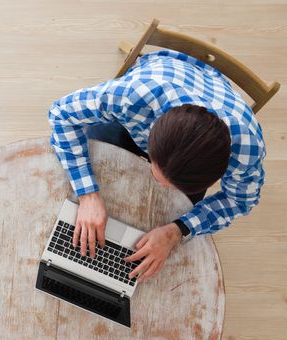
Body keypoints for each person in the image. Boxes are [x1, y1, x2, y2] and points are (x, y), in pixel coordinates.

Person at [47, 49, 266, 281]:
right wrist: (88, 195)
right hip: (158, 85)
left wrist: (176, 231)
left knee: (170, 217)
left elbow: (240, 200)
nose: (159, 185)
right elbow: (61, 114)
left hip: (209, 101)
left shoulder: (247, 149)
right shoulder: (133, 95)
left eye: (170, 185)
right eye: (157, 173)